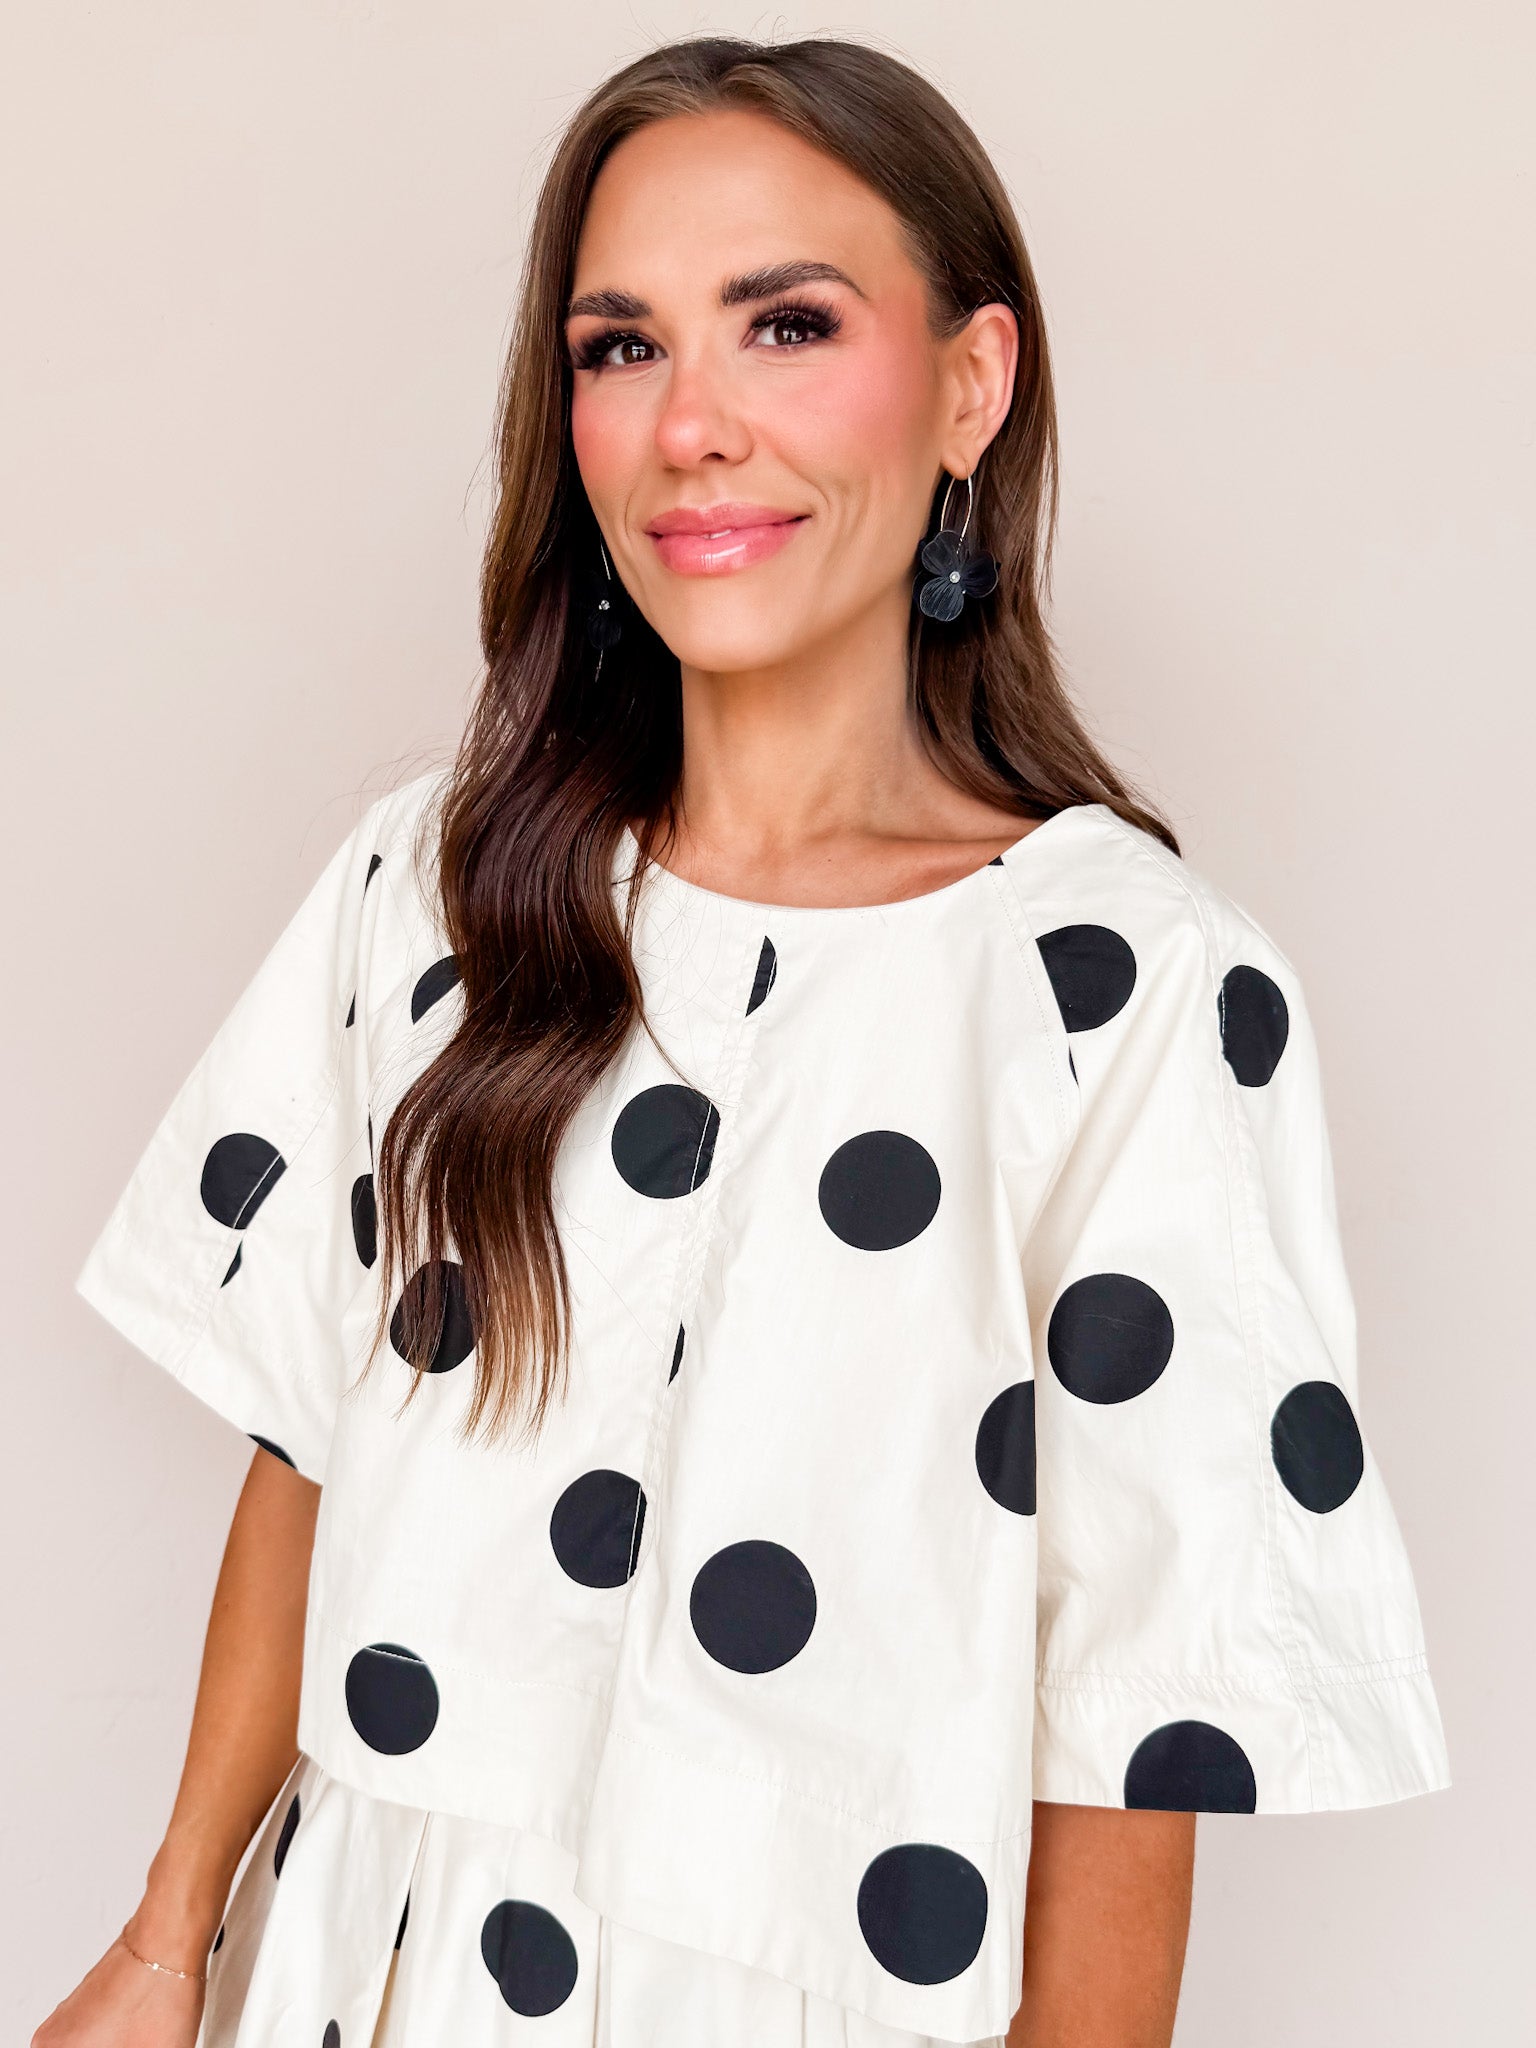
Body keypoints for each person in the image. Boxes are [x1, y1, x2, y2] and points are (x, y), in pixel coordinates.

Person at [35, 35, 1450, 2048]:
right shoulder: (435, 890)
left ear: (971, 384)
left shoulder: (1123, 991)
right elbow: (308, 1446)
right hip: (376, 1982)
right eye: (622, 347)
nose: (692, 424)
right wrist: (164, 1942)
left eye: (787, 325)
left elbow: (1136, 1716)